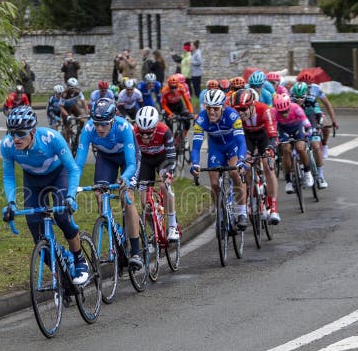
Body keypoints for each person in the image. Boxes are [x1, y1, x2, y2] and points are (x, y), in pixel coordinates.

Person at [0, 106, 90, 285]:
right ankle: (60, 270)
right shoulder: (8, 145)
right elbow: (8, 176)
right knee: (35, 228)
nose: (15, 138)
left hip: (58, 175)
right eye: (11, 132)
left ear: (33, 131)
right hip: (33, 180)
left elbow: (72, 169)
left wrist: (71, 196)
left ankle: (79, 259)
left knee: (62, 216)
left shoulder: (51, 138)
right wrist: (11, 203)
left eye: (20, 133)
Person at [75, 98, 144, 269]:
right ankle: (119, 234)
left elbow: (131, 164)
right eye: (97, 124)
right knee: (100, 195)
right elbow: (78, 164)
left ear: (113, 120)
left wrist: (126, 178)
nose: (99, 128)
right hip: (106, 158)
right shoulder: (88, 129)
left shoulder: (124, 127)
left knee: (127, 195)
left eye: (104, 124)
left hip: (128, 159)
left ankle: (136, 251)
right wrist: (72, 186)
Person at [190, 89, 248, 229]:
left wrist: (241, 160)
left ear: (222, 107)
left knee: (235, 173)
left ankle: (242, 212)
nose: (211, 112)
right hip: (216, 149)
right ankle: (220, 212)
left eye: (215, 108)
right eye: (208, 108)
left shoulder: (232, 115)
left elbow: (241, 142)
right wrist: (195, 164)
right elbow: (196, 147)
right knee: (215, 184)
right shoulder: (201, 119)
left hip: (232, 146)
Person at [231, 88, 281, 225]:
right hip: (247, 137)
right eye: (237, 109)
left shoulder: (265, 110)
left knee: (267, 166)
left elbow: (273, 135)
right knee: (245, 165)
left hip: (264, 135)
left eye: (243, 109)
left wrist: (270, 149)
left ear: (252, 105)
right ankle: (252, 196)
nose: (240, 113)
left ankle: (274, 207)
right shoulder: (236, 115)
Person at [134, 106, 180, 241]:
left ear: (155, 128)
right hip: (145, 160)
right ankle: (154, 230)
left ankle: (172, 226)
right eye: (142, 133)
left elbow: (172, 157)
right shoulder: (133, 132)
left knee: (163, 184)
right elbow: (132, 158)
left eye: (148, 133)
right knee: (143, 200)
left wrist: (168, 174)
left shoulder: (164, 131)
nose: (145, 136)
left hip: (163, 159)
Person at [273, 92, 314, 194]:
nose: (284, 114)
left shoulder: (296, 108)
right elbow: (272, 127)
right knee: (286, 149)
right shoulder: (273, 112)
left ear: (289, 106)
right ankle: (288, 180)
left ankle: (307, 172)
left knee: (300, 147)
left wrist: (309, 129)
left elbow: (305, 121)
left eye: (286, 111)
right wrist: (274, 139)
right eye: (281, 112)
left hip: (297, 128)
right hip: (283, 131)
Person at [290, 82, 328, 189]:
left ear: (306, 94)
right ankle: (299, 168)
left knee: (316, 146)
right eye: (296, 97)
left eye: (302, 97)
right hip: (296, 124)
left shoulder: (311, 99)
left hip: (311, 122)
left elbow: (318, 113)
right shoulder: (290, 101)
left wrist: (318, 125)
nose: (299, 100)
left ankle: (320, 176)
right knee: (296, 147)